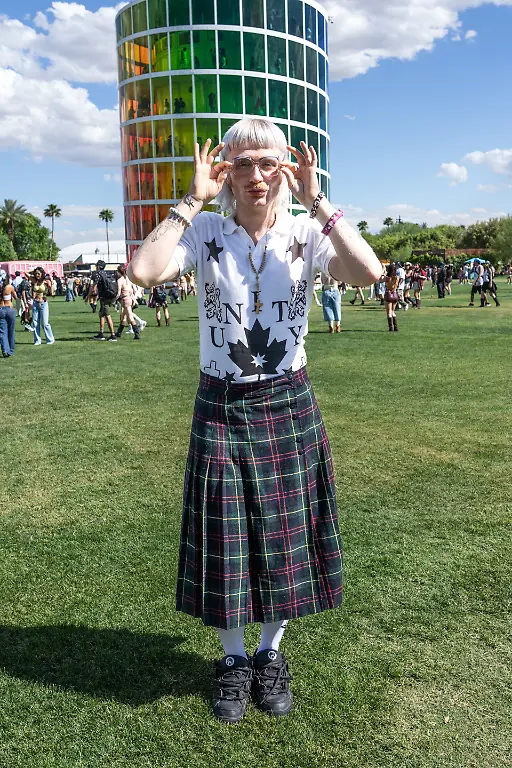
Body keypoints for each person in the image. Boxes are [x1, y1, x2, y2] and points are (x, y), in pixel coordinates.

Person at [128, 118, 381, 724]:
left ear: (286, 169)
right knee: (228, 536)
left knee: (284, 538)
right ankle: (235, 660)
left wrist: (318, 201)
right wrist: (192, 199)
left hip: (287, 402)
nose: (257, 175)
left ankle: (270, 654)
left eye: (268, 162)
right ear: (226, 171)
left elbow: (367, 273)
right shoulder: (207, 231)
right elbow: (143, 271)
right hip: (222, 401)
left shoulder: (305, 232)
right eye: (243, 163)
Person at [91, 260, 118, 341]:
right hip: (110, 296)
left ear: (98, 266)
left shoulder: (98, 274)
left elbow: (93, 288)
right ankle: (101, 333)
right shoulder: (107, 274)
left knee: (107, 315)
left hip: (104, 298)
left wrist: (88, 296)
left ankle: (113, 335)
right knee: (101, 314)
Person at [113, 265, 142, 339]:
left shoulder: (120, 280)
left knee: (130, 317)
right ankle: (118, 333)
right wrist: (133, 297)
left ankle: (137, 333)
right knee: (124, 317)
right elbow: (135, 290)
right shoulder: (129, 279)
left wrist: (114, 300)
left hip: (125, 299)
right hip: (131, 299)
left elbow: (119, 293)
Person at [31, 267, 55, 346]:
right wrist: (33, 270)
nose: (37, 275)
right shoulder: (34, 281)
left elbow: (51, 293)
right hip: (35, 302)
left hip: (43, 302)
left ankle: (50, 339)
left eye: (38, 273)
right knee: (35, 323)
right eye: (36, 273)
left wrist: (50, 286)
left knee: (45, 323)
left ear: (42, 274)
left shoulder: (46, 281)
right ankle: (37, 340)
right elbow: (25, 273)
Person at [0, 273, 17, 357]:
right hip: (9, 308)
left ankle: (4, 350)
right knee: (11, 330)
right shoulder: (9, 287)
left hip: (0, 309)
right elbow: (15, 296)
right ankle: (10, 350)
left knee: (2, 331)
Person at [384, 264, 399, 331]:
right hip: (395, 294)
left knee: (389, 312)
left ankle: (390, 327)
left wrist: (383, 271)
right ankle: (396, 327)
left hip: (388, 294)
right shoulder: (397, 277)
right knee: (393, 311)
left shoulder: (387, 278)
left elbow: (380, 280)